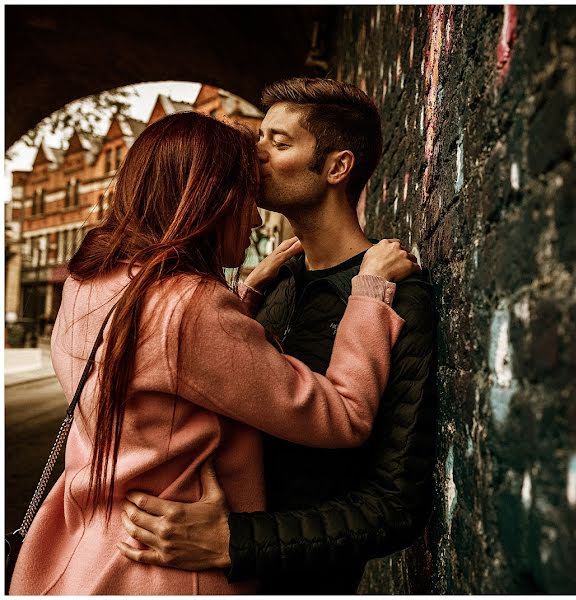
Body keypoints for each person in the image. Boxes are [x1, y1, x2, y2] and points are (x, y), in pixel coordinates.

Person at [8, 111, 420, 595]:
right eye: (247, 199)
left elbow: (168, 369)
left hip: (80, 554)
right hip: (164, 572)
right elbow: (344, 416)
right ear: (212, 201)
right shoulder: (189, 309)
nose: (253, 216)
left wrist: (241, 299)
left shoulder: (89, 280)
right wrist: (369, 292)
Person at [118, 78, 438, 593]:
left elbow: (394, 505)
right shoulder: (275, 287)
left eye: (279, 143)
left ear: (337, 167)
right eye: (260, 136)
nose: (255, 153)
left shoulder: (396, 297)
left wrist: (237, 541)